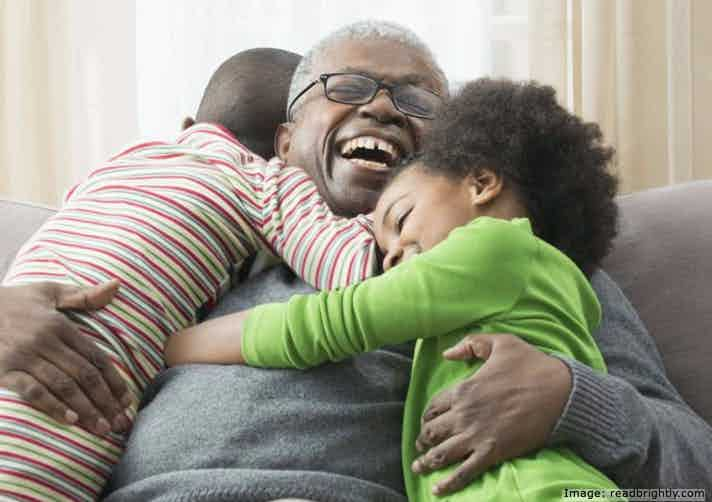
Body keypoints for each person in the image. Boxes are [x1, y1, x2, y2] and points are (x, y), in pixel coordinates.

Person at [0, 21, 709, 502]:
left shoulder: (525, 258)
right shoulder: (195, 242)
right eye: (343, 89)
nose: (381, 109)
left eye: (416, 98)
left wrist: (570, 399)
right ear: (283, 139)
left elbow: (693, 471)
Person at [165, 78, 625, 501]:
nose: (391, 259)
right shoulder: (536, 291)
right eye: (384, 252)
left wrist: (169, 346)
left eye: (401, 220)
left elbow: (330, 323)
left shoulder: (497, 247)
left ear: (481, 184)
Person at [0, 46, 383, 500]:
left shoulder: (125, 161)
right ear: (285, 145)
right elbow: (353, 269)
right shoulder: (266, 180)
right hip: (67, 406)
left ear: (188, 127)